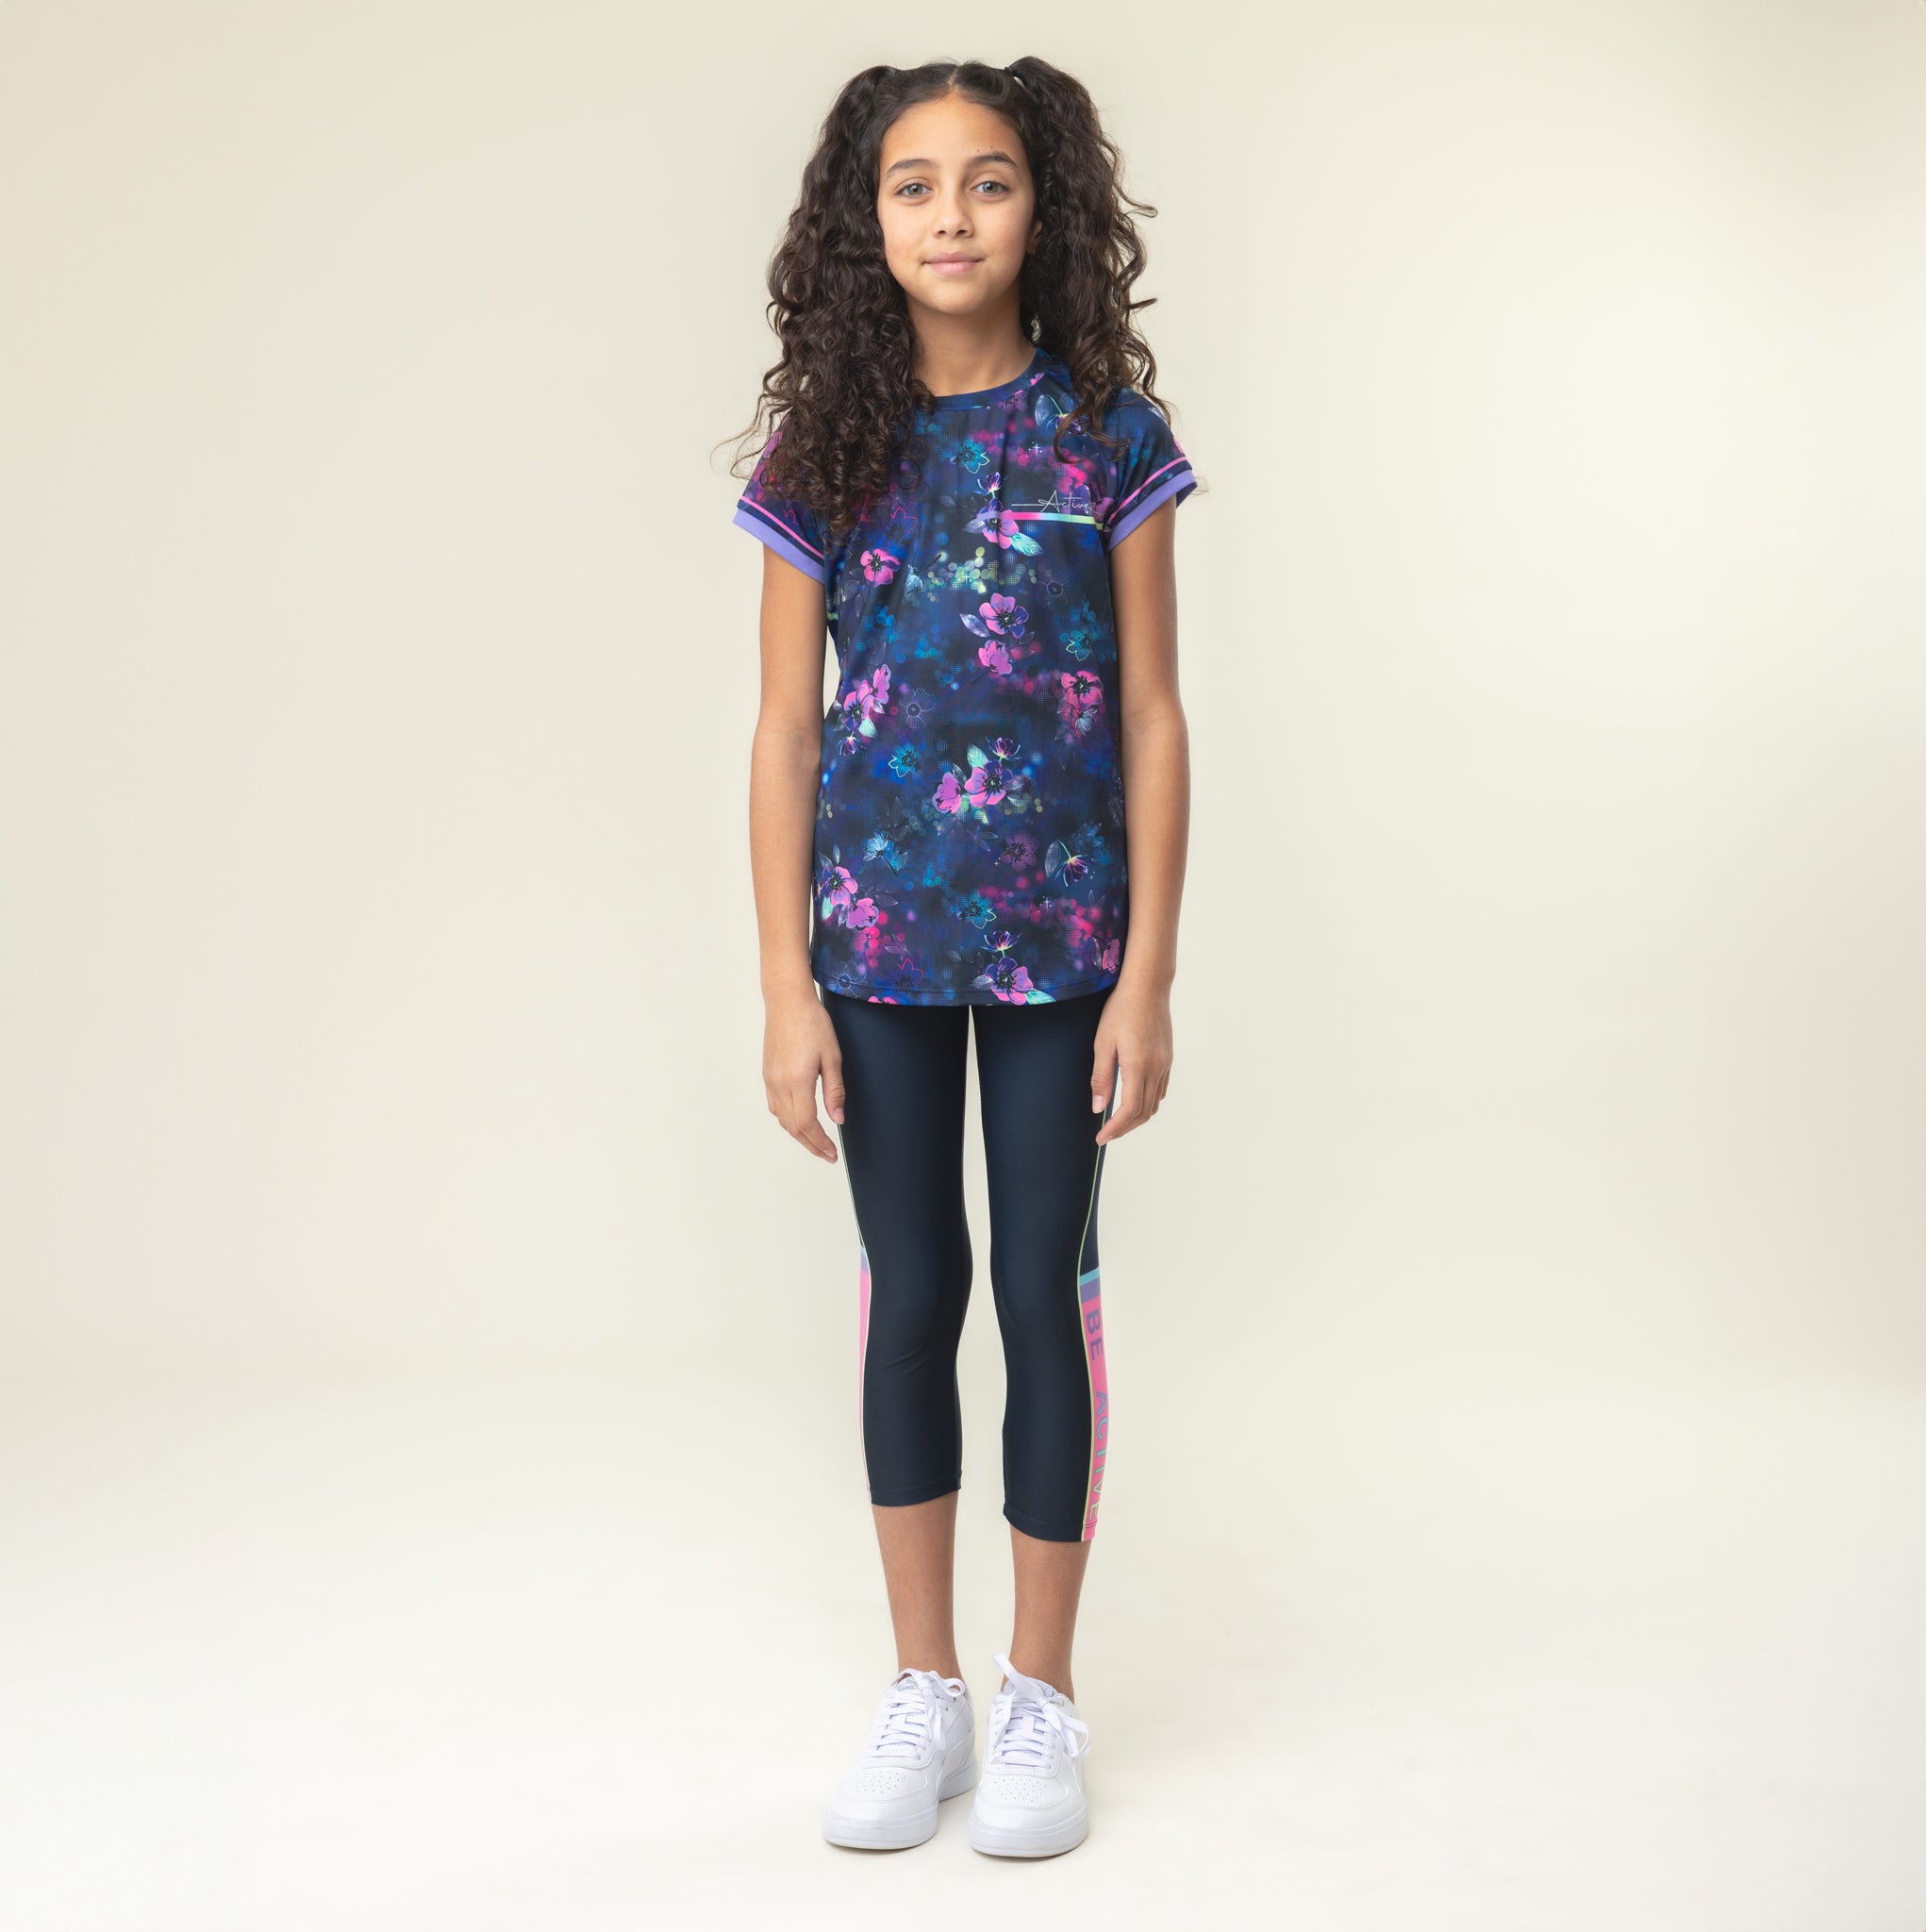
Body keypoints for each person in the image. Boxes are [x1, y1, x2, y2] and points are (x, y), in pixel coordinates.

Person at [728, 55, 1196, 1858]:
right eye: (912, 184)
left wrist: (1149, 975)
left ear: (1042, 208)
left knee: (1044, 1296)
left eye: (987, 181)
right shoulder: (824, 454)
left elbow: (1151, 715)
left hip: (1070, 947)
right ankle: (922, 1685)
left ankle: (1040, 1695)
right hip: (876, 948)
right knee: (911, 1289)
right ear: (865, 221)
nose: (950, 215)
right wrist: (786, 986)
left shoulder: (1107, 437)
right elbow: (785, 731)